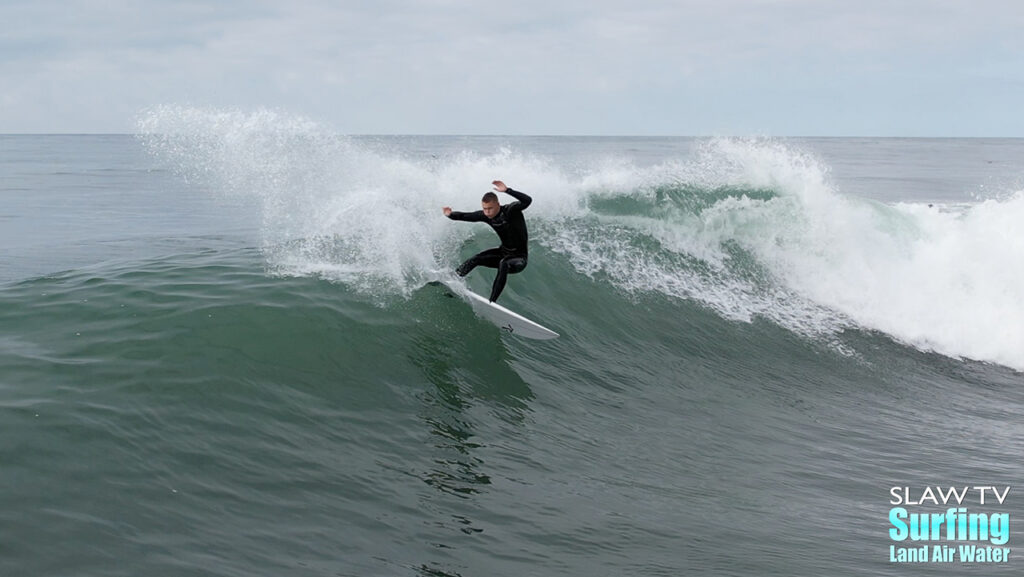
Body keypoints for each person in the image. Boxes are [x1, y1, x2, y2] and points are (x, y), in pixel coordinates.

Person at [442, 180, 532, 303]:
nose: (487, 212)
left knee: (504, 263)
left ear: (498, 205)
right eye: (485, 209)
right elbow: (465, 216)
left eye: (490, 208)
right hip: (503, 252)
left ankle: (492, 302)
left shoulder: (511, 210)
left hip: (519, 259)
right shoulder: (485, 215)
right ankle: (452, 282)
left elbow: (528, 200)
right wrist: (450, 214)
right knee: (476, 258)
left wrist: (507, 190)